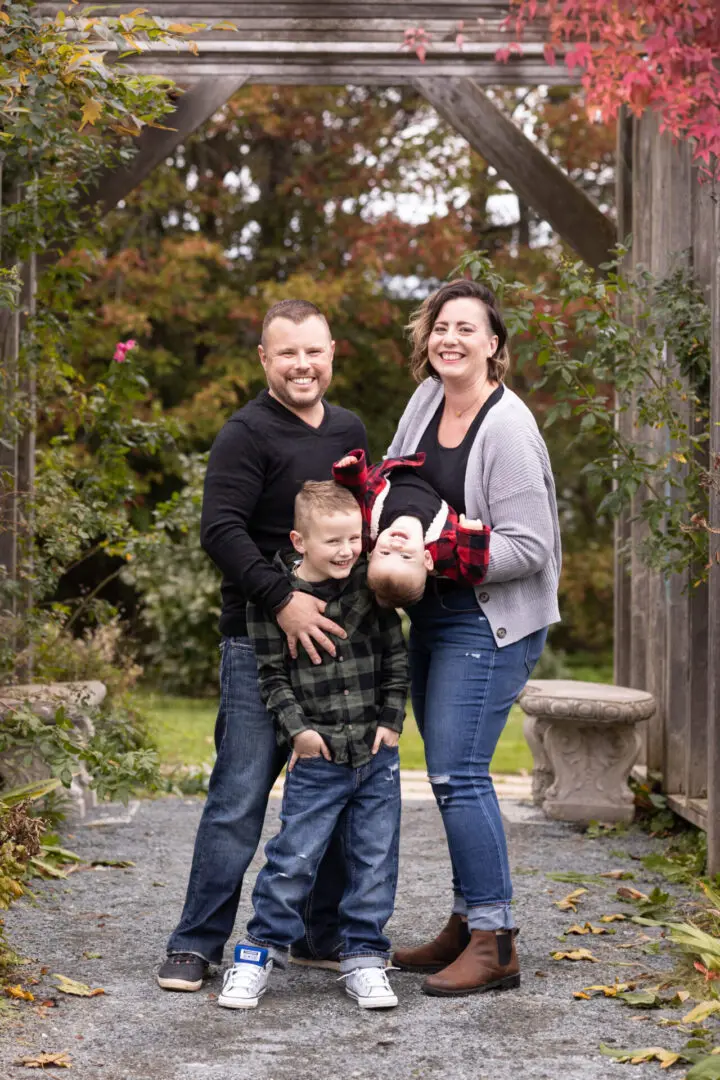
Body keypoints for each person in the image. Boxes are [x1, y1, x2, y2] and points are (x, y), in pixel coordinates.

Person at [157, 300, 370, 992]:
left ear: (332, 352)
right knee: (239, 795)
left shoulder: (349, 430)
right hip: (257, 644)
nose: (302, 365)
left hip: (334, 648)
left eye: (313, 351)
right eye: (287, 353)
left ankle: (317, 934)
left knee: (333, 791)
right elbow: (220, 530)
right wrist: (281, 601)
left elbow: (352, 533)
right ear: (264, 359)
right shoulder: (244, 434)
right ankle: (195, 943)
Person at [387, 278, 561, 997]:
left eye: (466, 329)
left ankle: (496, 942)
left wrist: (442, 546)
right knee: (448, 771)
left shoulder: (508, 426)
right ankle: (464, 922)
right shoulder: (427, 400)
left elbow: (533, 546)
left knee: (461, 774)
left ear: (494, 346)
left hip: (489, 619)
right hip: (434, 612)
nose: (449, 339)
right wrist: (394, 525)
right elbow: (398, 478)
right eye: (440, 327)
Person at [218, 480, 407, 1011]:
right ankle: (256, 954)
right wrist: (297, 730)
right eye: (334, 541)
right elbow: (271, 676)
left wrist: (392, 718)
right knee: (293, 858)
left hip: (375, 754)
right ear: (300, 541)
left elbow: (395, 655)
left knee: (374, 859)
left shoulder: (370, 587)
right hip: (318, 754)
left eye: (355, 538)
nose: (348, 550)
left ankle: (366, 957)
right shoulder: (273, 599)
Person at [332, 448, 490, 607]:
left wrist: (350, 470)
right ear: (427, 559)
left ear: (372, 553)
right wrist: (473, 536)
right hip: (430, 470)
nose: (395, 546)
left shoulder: (365, 526)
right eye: (406, 557)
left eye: (385, 552)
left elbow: (351, 497)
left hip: (394, 468)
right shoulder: (440, 544)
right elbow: (471, 574)